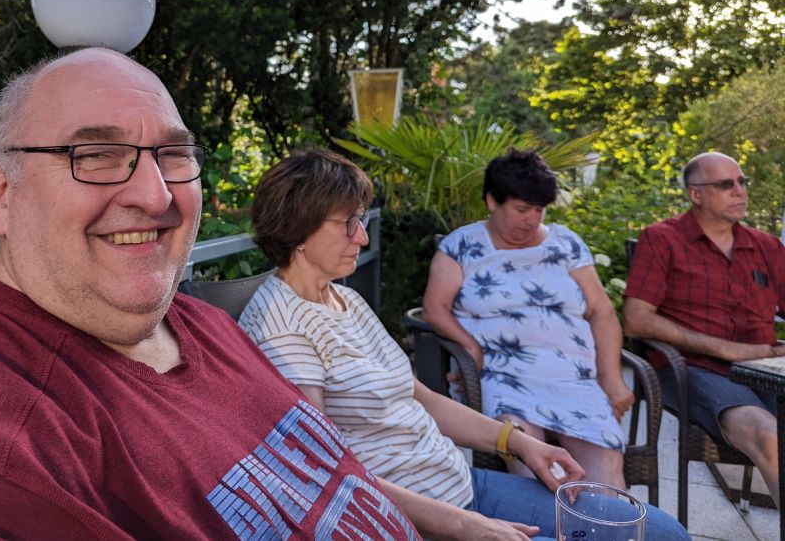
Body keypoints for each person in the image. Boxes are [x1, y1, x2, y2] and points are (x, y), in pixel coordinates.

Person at [0, 48, 419, 539]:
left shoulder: (202, 324)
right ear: (0, 194)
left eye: (173, 155)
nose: (155, 195)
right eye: (95, 155)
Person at [238, 149, 688, 541]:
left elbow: (422, 398)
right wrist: (464, 526)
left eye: (362, 220)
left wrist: (518, 444)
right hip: (412, 517)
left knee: (663, 533)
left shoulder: (344, 299)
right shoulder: (282, 326)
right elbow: (323, 468)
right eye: (348, 223)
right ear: (298, 228)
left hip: (458, 482)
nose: (363, 236)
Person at [422, 148, 632, 488]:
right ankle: (544, 519)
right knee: (532, 461)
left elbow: (602, 311)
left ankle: (601, 519)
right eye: (522, 209)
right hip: (505, 376)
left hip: (573, 379)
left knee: (606, 469)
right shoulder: (462, 246)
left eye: (540, 210)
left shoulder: (566, 244)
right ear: (492, 201)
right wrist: (470, 346)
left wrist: (611, 379)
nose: (532, 220)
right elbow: (435, 307)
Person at [624, 150, 785, 507]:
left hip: (767, 371)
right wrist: (726, 349)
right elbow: (636, 319)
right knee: (769, 436)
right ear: (695, 194)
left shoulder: (766, 247)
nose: (740, 192)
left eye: (742, 182)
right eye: (726, 184)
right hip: (694, 369)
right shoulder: (662, 240)